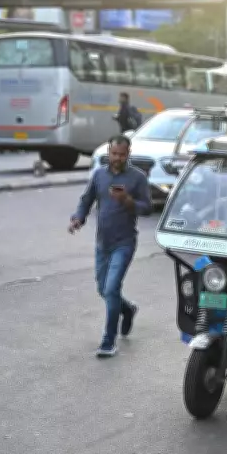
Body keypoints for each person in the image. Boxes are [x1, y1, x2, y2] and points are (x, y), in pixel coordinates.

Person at [69, 135, 152, 358]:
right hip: (102, 243)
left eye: (122, 154)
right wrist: (78, 218)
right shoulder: (99, 175)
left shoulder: (137, 178)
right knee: (103, 289)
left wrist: (128, 201)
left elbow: (147, 208)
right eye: (114, 153)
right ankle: (128, 309)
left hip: (124, 243)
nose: (117, 158)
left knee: (111, 288)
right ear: (109, 151)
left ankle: (108, 341)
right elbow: (86, 201)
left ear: (128, 154)